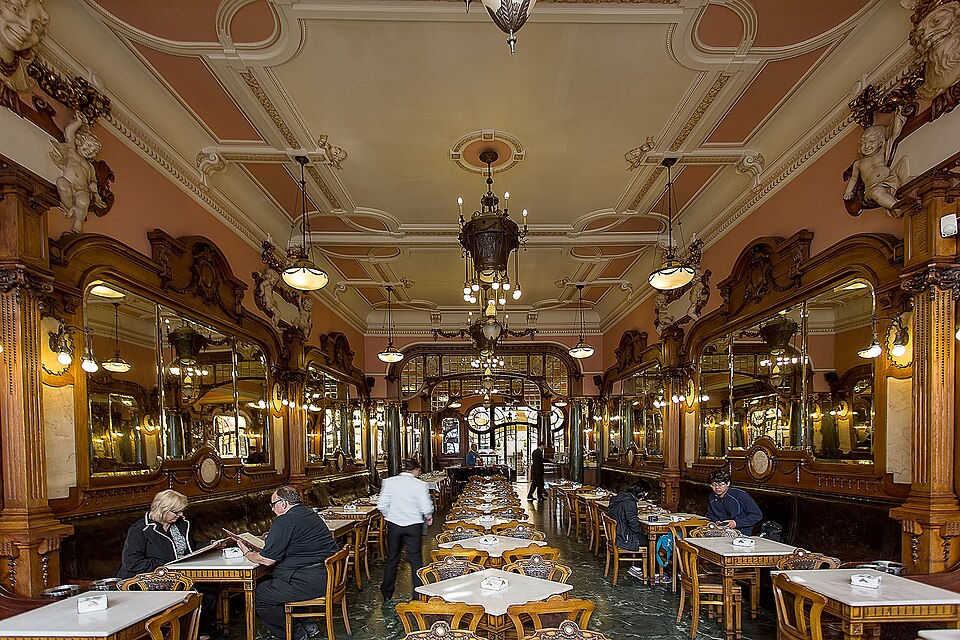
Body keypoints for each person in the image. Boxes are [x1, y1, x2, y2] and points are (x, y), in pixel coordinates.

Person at [238, 486, 339, 640]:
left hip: (308, 581)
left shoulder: (284, 521)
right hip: (327, 576)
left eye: (273, 505)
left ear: (283, 503)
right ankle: (308, 625)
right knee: (271, 584)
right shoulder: (310, 514)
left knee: (259, 596)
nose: (272, 509)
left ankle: (295, 635)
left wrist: (247, 552)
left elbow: (267, 560)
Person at [116, 490, 218, 636]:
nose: (180, 515)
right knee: (197, 595)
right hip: (148, 581)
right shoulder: (140, 530)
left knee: (209, 591)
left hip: (177, 576)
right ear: (162, 509)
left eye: (181, 511)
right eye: (176, 512)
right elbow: (131, 562)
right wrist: (161, 566)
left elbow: (190, 548)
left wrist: (210, 544)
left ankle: (197, 633)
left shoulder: (179, 525)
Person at [378, 457, 433, 600]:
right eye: (418, 470)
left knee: (392, 558)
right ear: (415, 470)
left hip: (394, 524)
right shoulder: (420, 485)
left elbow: (381, 505)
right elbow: (426, 507)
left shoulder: (389, 482)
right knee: (415, 559)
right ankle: (417, 593)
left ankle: (387, 592)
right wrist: (428, 516)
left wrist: (390, 515)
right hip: (414, 524)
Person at [843, 109, 907, 212]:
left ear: (880, 142)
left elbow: (895, 134)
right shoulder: (858, 163)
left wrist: (899, 116)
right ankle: (898, 208)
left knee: (904, 163)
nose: (867, 146)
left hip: (889, 181)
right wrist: (848, 191)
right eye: (863, 144)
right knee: (877, 193)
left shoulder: (882, 152)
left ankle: (898, 205)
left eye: (871, 142)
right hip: (872, 187)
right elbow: (854, 178)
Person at [49, 117, 105, 233]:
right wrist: (78, 122)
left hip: (82, 190)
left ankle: (78, 222)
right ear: (79, 141)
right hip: (69, 183)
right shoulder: (71, 151)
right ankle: (69, 208)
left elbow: (92, 179)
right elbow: (69, 132)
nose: (90, 151)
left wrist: (93, 185)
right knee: (61, 184)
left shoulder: (89, 166)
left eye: (93, 151)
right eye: (89, 147)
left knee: (83, 202)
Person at [607, 481, 651, 580]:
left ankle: (638, 567)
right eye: (646, 493)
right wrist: (642, 532)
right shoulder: (630, 503)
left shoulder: (621, 498)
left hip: (618, 533)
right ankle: (650, 572)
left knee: (644, 538)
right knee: (652, 541)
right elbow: (633, 524)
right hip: (623, 537)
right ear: (641, 492)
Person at [706, 469, 763, 535]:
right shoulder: (711, 497)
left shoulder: (740, 495)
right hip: (721, 531)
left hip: (741, 532)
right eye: (713, 485)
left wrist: (736, 523)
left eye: (721, 485)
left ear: (728, 483)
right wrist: (716, 521)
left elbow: (757, 515)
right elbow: (710, 514)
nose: (717, 488)